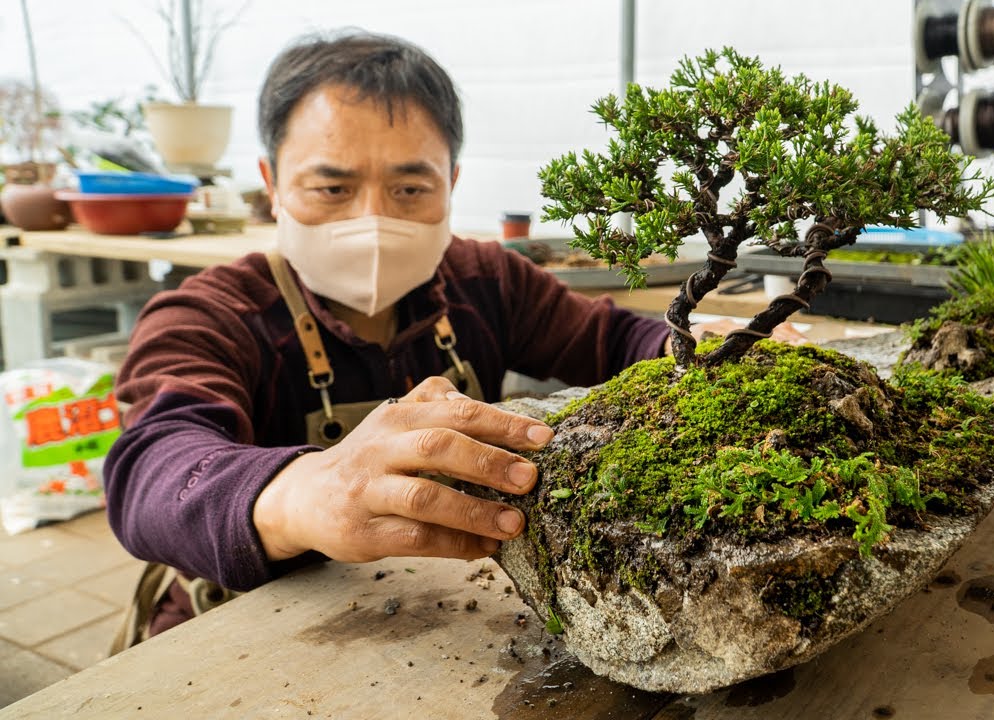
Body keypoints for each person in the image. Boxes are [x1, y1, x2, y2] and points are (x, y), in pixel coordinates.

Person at [103, 31, 675, 644]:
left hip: (441, 619)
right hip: (243, 628)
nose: (371, 220)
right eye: (331, 189)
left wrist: (701, 346)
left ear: (452, 181)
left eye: (410, 189)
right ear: (271, 183)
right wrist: (303, 494)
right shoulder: (211, 314)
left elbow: (614, 340)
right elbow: (151, 469)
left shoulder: (488, 282)